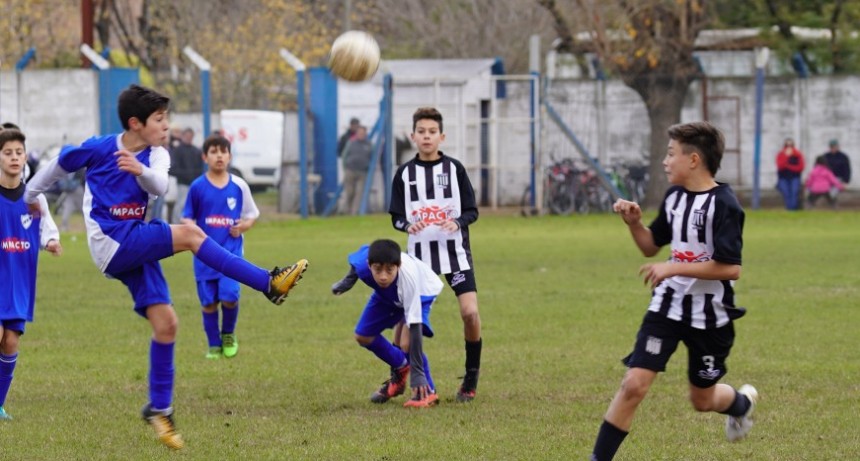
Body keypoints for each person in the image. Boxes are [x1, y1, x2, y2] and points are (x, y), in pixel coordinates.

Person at [23, 84, 308, 450]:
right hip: (111, 241)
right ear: (135, 123)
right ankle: (268, 283)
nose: (166, 126)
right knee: (191, 234)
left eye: (166, 119)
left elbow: (157, 185)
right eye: (159, 119)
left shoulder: (157, 154)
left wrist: (139, 167)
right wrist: (30, 198)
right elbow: (54, 168)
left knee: (167, 323)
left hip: (134, 241)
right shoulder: (98, 148)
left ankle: (160, 409)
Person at [590, 121, 757, 461]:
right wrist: (635, 223)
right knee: (633, 384)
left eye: (670, 154)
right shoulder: (674, 197)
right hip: (667, 307)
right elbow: (651, 248)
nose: (665, 162)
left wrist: (673, 267)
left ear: (693, 160)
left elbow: (730, 267)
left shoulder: (725, 204)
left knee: (702, 400)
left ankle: (741, 404)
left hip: (710, 316)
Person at [389, 107, 483, 403]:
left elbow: (472, 211)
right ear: (412, 136)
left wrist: (456, 222)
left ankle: (470, 377)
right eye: (421, 132)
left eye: (432, 132)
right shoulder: (404, 174)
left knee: (470, 313)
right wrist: (407, 224)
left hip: (455, 255)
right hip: (418, 260)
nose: (427, 137)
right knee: (405, 323)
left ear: (441, 136)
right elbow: (396, 217)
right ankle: (398, 375)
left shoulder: (455, 170)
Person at [331, 239, 443, 407]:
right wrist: (347, 282)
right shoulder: (364, 263)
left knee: (406, 343)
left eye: (389, 270)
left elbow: (415, 325)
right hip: (387, 294)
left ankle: (428, 392)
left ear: (398, 265)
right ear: (370, 265)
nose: (383, 276)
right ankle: (401, 368)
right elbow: (357, 262)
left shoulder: (409, 280)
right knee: (363, 336)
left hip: (421, 292)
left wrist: (417, 373)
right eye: (378, 270)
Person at [0, 128, 63, 421]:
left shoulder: (34, 198)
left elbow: (45, 228)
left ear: (25, 156)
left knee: (11, 340)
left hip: (20, 280)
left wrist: (51, 241)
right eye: (7, 153)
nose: (14, 158)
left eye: (18, 153)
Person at [181, 135, 259, 359]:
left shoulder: (239, 185)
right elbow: (187, 217)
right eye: (214, 152)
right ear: (205, 157)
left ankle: (228, 335)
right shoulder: (197, 187)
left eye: (223, 152)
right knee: (208, 303)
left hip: (231, 254)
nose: (219, 156)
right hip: (204, 256)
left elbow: (251, 215)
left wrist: (242, 227)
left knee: (230, 296)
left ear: (230, 156)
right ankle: (213, 344)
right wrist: (192, 227)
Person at [169, 128, 203, 223]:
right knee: (181, 204)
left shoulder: (196, 151)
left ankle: (191, 224)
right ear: (183, 136)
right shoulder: (177, 150)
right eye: (187, 136)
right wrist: (185, 174)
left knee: (194, 204)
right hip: (183, 183)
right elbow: (172, 168)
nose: (189, 138)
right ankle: (176, 224)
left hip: (194, 183)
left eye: (190, 136)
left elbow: (200, 168)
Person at [341, 125, 374, 215]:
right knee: (349, 192)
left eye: (363, 133)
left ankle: (354, 213)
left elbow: (373, 158)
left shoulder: (369, 145)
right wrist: (345, 168)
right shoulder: (351, 143)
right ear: (356, 134)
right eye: (359, 133)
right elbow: (344, 155)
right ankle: (347, 211)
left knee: (359, 193)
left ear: (365, 134)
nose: (361, 135)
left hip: (362, 172)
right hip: (350, 171)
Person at [775, 138, 805, 210]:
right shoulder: (781, 154)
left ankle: (793, 208)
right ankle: (789, 208)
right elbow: (780, 166)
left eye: (790, 145)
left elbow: (800, 167)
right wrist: (786, 157)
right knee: (786, 193)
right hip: (783, 178)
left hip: (795, 177)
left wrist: (789, 166)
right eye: (787, 145)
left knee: (794, 193)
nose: (789, 147)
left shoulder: (798, 154)